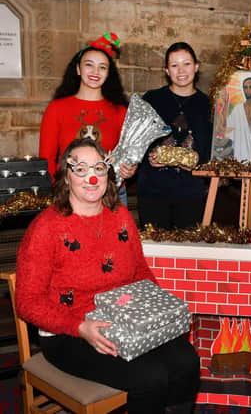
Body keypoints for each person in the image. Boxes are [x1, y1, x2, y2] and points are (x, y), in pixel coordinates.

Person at [15, 138, 199, 414]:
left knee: (187, 361)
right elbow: (27, 301)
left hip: (126, 320)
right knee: (150, 377)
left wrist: (160, 311)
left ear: (108, 174)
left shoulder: (121, 216)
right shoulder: (46, 229)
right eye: (80, 169)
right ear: (66, 176)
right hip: (70, 332)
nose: (91, 177)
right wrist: (80, 327)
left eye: (99, 168)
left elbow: (139, 272)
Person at [38, 32, 136, 205]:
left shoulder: (120, 111)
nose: (95, 72)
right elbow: (46, 159)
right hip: (68, 194)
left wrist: (129, 169)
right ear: (78, 68)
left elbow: (127, 156)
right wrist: (61, 193)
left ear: (108, 73)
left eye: (103, 67)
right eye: (89, 65)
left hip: (111, 195)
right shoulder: (57, 109)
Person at [137, 42, 212, 230]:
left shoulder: (208, 105)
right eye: (174, 65)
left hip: (191, 192)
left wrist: (198, 162)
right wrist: (149, 158)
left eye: (186, 64)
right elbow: (137, 140)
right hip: (153, 192)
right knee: (154, 251)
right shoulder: (151, 100)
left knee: (188, 252)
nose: (181, 71)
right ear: (167, 71)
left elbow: (213, 149)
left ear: (196, 67)